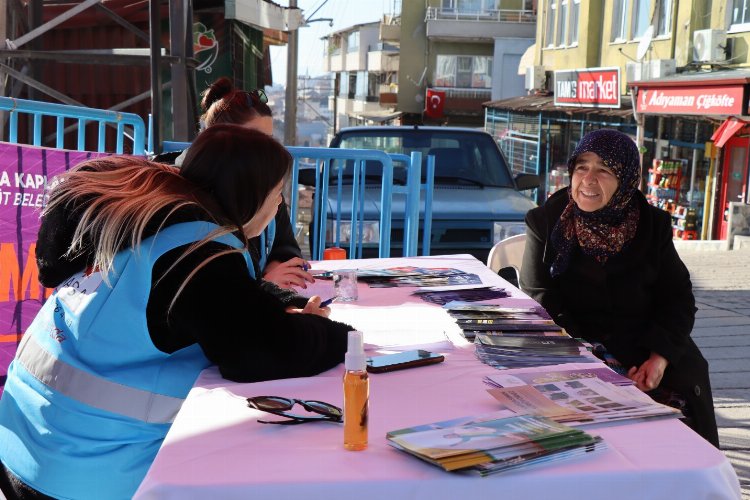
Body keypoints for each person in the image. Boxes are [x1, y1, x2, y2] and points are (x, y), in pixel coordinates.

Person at [0, 124, 352, 499]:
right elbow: (259, 352)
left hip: (25, 444)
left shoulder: (143, 216)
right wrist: (333, 334)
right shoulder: (199, 253)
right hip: (85, 471)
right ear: (250, 195)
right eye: (277, 193)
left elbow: (214, 307)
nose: (279, 205)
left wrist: (276, 305)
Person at [519, 128, 720, 448]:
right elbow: (540, 300)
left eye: (604, 169)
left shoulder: (652, 225)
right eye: (582, 166)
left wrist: (660, 358)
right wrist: (592, 363)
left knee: (672, 446)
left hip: (645, 358)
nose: (588, 178)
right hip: (573, 357)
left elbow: (678, 297)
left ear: (625, 179)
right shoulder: (545, 221)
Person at [155, 76, 312, 290]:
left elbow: (284, 249)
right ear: (220, 142)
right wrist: (263, 286)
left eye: (271, 140)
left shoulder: (267, 187)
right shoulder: (179, 195)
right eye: (256, 139)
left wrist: (277, 275)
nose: (267, 153)